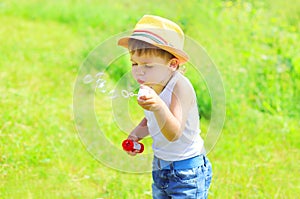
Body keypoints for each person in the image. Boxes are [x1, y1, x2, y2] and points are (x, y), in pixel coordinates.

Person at [118, 15, 212, 199]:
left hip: (187, 173)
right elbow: (151, 118)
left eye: (148, 65)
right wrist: (136, 135)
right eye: (134, 63)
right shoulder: (150, 84)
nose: (139, 70)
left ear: (172, 64)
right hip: (161, 168)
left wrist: (158, 106)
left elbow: (174, 133)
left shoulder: (180, 87)